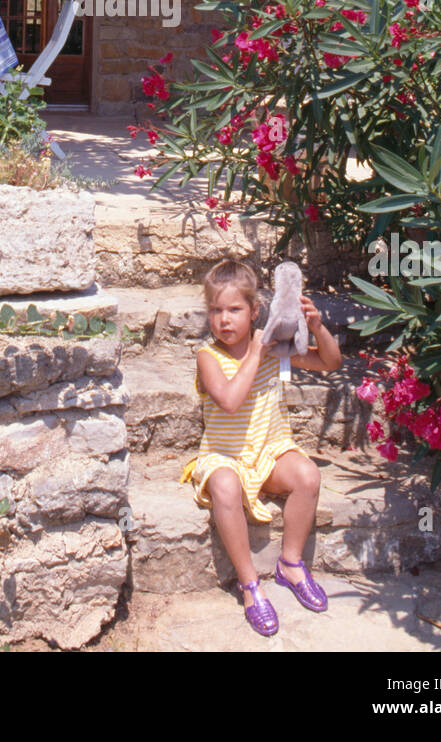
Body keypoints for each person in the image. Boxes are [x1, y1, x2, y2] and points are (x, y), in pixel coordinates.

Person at [190, 258, 343, 636]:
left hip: (269, 450)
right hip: (224, 456)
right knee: (225, 485)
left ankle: (290, 564)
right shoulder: (208, 357)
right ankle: (249, 585)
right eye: (215, 310)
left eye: (234, 310)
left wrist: (317, 328)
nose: (224, 320)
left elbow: (331, 362)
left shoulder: (275, 348)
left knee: (307, 475)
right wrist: (257, 352)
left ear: (255, 312)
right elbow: (228, 400)